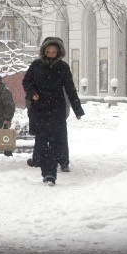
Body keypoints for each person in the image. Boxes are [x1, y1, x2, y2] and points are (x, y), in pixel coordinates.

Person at [22, 37, 84, 185]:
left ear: (59, 52)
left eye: (54, 51)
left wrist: (77, 109)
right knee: (42, 143)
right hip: (39, 109)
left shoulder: (63, 67)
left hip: (56, 109)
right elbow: (26, 82)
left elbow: (70, 88)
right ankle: (46, 172)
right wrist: (32, 94)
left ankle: (51, 174)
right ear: (44, 51)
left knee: (55, 142)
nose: (51, 53)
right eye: (48, 51)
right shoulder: (36, 65)